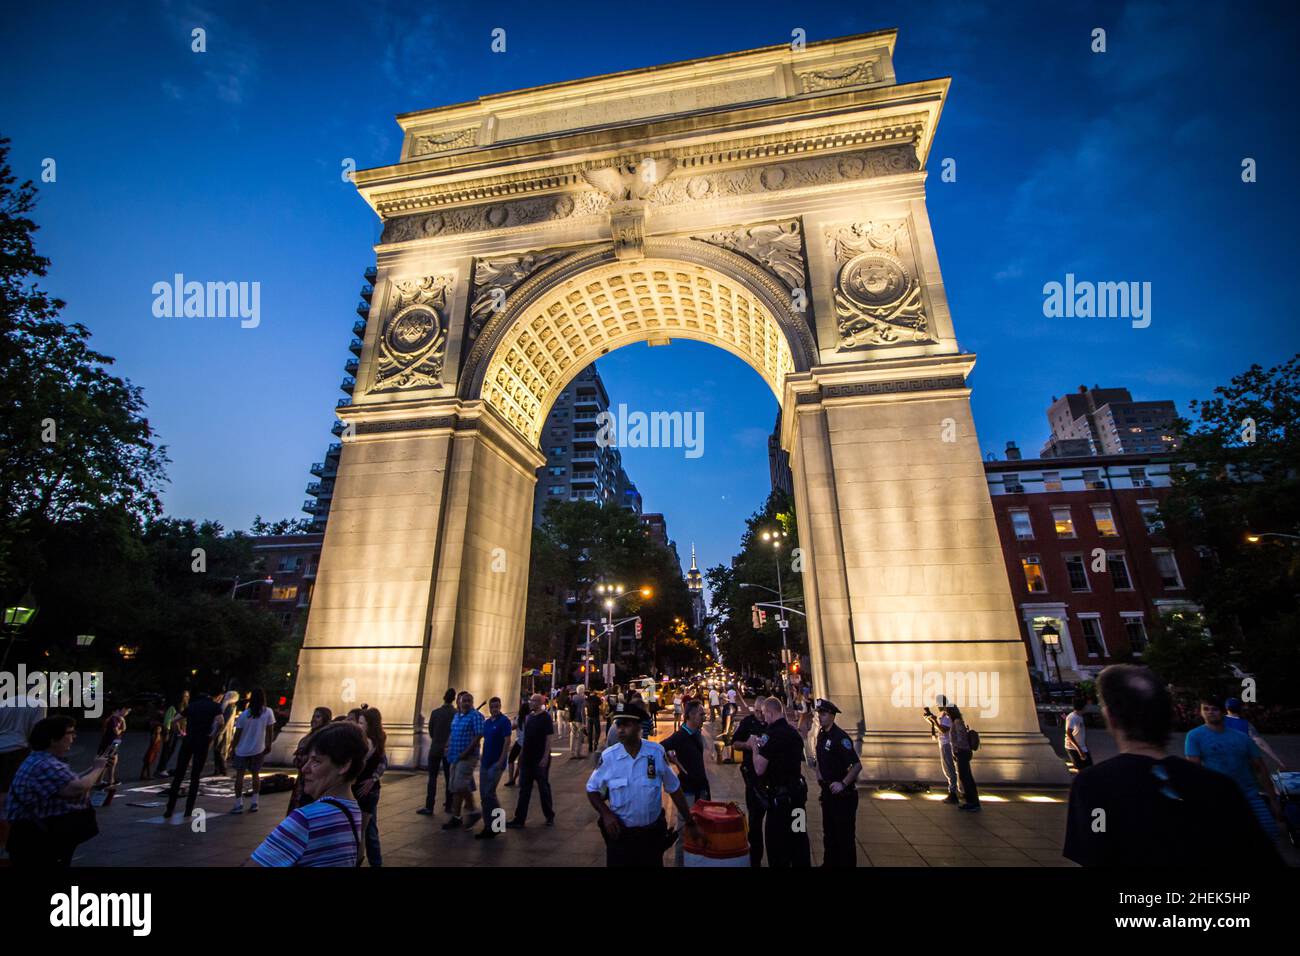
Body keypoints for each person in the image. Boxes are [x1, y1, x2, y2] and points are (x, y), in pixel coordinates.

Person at [1063, 665, 1283, 866]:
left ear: (1110, 718)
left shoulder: (1093, 785)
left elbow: (1092, 855)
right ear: (1168, 717)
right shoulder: (1220, 786)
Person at [586, 703, 697, 867]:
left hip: (650, 837)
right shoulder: (609, 757)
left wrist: (689, 821)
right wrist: (606, 814)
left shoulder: (656, 752)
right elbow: (592, 789)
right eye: (618, 725)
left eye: (626, 725)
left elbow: (674, 788)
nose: (621, 730)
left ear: (639, 727)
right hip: (621, 839)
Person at [250, 721, 367, 867]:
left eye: (316, 761)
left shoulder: (306, 819)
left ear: (344, 765)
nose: (304, 769)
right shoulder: (352, 809)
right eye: (308, 760)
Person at [4, 716, 107, 867]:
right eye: (70, 733)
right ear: (53, 739)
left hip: (34, 835)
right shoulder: (45, 764)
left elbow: (66, 782)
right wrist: (98, 769)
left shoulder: (39, 759)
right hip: (37, 840)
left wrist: (93, 769)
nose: (74, 738)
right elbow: (75, 788)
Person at [1185, 695, 1280, 839]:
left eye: (1215, 709)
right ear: (1201, 712)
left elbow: (1260, 768)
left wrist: (1273, 800)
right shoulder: (1194, 736)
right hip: (1217, 797)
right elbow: (1194, 771)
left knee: (1270, 834)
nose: (1210, 712)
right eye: (1206, 709)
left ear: (1224, 712)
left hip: (1249, 795)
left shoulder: (1242, 738)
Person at [746, 696, 810, 867]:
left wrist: (754, 748)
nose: (763, 717)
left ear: (770, 712)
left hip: (780, 803)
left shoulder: (770, 735)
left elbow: (760, 768)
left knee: (777, 847)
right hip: (797, 800)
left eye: (764, 713)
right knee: (799, 839)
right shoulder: (793, 734)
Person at [812, 699, 861, 867]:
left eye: (824, 714)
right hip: (828, 793)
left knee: (845, 837)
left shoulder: (840, 737)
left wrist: (843, 783)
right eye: (819, 713)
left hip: (843, 797)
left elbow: (856, 765)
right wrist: (819, 774)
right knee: (829, 834)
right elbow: (820, 758)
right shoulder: (822, 734)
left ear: (832, 716)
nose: (820, 716)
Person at [661, 697, 710, 865]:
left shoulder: (696, 734)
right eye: (701, 714)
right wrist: (670, 760)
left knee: (699, 831)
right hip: (687, 792)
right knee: (684, 834)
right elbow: (660, 748)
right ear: (690, 715)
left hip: (700, 791)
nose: (704, 717)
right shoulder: (681, 735)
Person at [164, 688, 225, 818]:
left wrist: (179, 731)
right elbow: (221, 722)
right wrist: (213, 735)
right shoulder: (215, 706)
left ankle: (169, 808)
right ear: (216, 696)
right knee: (195, 776)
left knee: (179, 775)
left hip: (188, 739)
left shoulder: (192, 706)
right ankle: (188, 809)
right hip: (203, 740)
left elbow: (175, 719)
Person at [730, 694, 768, 866]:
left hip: (770, 778)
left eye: (763, 712)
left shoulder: (772, 724)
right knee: (755, 821)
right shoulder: (747, 723)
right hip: (752, 778)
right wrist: (749, 745)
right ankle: (755, 859)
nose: (761, 715)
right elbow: (735, 743)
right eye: (758, 712)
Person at [508, 692, 555, 828]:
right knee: (524, 789)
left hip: (539, 759)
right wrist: (521, 755)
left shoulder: (545, 718)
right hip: (527, 758)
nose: (531, 703)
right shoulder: (529, 717)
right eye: (531, 700)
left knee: (543, 788)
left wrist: (546, 757)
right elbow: (526, 739)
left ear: (540, 703)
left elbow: (548, 738)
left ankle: (549, 815)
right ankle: (519, 818)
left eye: (534, 701)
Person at [230, 687, 276, 814]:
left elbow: (237, 734)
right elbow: (270, 731)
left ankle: (238, 803)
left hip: (242, 749)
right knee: (256, 774)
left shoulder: (245, 715)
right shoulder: (268, 712)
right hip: (258, 748)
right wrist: (268, 744)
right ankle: (255, 802)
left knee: (240, 775)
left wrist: (232, 748)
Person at [443, 691, 484, 831]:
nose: (466, 703)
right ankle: (456, 817)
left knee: (460, 784)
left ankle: (473, 811)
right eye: (463, 700)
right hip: (454, 755)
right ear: (459, 702)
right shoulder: (457, 716)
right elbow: (452, 732)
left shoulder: (476, 716)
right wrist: (447, 745)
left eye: (469, 700)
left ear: (472, 702)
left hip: (467, 756)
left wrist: (467, 751)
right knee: (454, 787)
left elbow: (479, 735)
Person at [351, 707, 387, 864]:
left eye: (361, 723)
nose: (358, 726)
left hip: (363, 789)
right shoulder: (378, 740)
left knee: (363, 830)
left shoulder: (367, 742)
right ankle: (375, 861)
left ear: (369, 725)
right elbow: (383, 763)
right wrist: (374, 778)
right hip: (370, 789)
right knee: (368, 829)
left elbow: (359, 765)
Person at [476, 697, 513, 839]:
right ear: (489, 708)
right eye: (492, 707)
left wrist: (501, 760)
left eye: (497, 706)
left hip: (496, 763)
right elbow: (481, 738)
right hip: (485, 762)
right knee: (484, 796)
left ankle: (497, 823)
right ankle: (489, 825)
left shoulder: (504, 722)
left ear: (500, 706)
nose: (495, 709)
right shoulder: (486, 723)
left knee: (489, 793)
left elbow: (507, 741)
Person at [287, 707, 332, 814]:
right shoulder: (311, 736)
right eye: (313, 716)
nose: (314, 720)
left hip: (314, 781)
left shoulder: (324, 737)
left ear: (325, 719)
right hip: (302, 780)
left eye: (318, 717)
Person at [418, 688, 456, 815]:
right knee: (448, 778)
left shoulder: (435, 713)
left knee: (432, 778)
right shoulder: (456, 714)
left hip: (435, 748)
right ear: (454, 699)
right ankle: (449, 805)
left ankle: (429, 806)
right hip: (448, 749)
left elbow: (431, 731)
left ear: (444, 697)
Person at [1224, 697, 1286, 769]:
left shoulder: (1218, 721)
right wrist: (1278, 760)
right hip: (1240, 764)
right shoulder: (1246, 724)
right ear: (1240, 709)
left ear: (1226, 708)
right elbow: (1260, 743)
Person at [922, 697, 959, 803]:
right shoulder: (943, 715)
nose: (937, 706)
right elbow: (940, 727)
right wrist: (930, 720)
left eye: (938, 704)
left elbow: (943, 729)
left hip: (947, 744)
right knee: (947, 769)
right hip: (943, 744)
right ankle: (953, 791)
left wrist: (934, 720)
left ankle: (953, 792)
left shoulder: (947, 716)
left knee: (949, 769)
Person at [946, 705, 979, 811]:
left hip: (962, 752)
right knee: (967, 777)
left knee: (965, 777)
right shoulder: (958, 721)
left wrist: (956, 750)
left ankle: (972, 802)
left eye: (948, 712)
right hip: (963, 752)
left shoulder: (957, 722)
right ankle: (973, 801)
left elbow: (961, 738)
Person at [156, 690, 188, 777]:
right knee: (167, 750)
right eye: (185, 696)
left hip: (175, 732)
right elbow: (168, 721)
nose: (186, 698)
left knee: (171, 750)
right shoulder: (173, 708)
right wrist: (166, 732)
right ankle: (161, 769)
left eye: (187, 696)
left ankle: (163, 768)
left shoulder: (182, 709)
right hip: (170, 732)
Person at [95, 706, 128, 788]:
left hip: (114, 742)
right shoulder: (112, 719)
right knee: (107, 762)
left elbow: (123, 729)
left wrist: (123, 721)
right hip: (109, 743)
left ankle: (110, 780)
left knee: (113, 762)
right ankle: (99, 781)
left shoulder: (118, 719)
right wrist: (120, 728)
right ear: (117, 710)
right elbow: (116, 731)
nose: (126, 713)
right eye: (126, 711)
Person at [212, 691, 239, 776]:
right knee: (219, 750)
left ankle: (221, 769)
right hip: (223, 731)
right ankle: (220, 769)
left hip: (222, 731)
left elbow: (225, 721)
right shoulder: (229, 706)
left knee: (219, 750)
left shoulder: (228, 706)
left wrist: (219, 732)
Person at [1064, 696, 1092, 772]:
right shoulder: (1072, 717)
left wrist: (1085, 746)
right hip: (1073, 748)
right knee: (1082, 770)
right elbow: (1069, 733)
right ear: (1083, 707)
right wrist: (1079, 750)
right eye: (1086, 706)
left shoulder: (1080, 716)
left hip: (1082, 747)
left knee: (1089, 767)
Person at [505, 696, 528, 787]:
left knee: (511, 759)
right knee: (521, 762)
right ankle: (517, 778)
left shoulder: (519, 718)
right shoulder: (530, 718)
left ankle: (511, 779)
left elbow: (512, 727)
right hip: (527, 743)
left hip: (519, 742)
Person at [140, 708, 163, 781]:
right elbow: (154, 742)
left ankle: (143, 774)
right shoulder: (155, 735)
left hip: (154, 750)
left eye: (160, 729)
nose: (159, 730)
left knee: (147, 763)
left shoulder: (158, 734)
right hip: (152, 750)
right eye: (158, 729)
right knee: (148, 762)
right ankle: (148, 775)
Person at [569, 685, 588, 758]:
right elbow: (582, 711)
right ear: (582, 691)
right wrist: (584, 722)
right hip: (579, 720)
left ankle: (572, 753)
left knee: (572, 736)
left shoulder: (573, 697)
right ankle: (578, 753)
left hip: (572, 719)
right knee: (580, 737)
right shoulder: (582, 699)